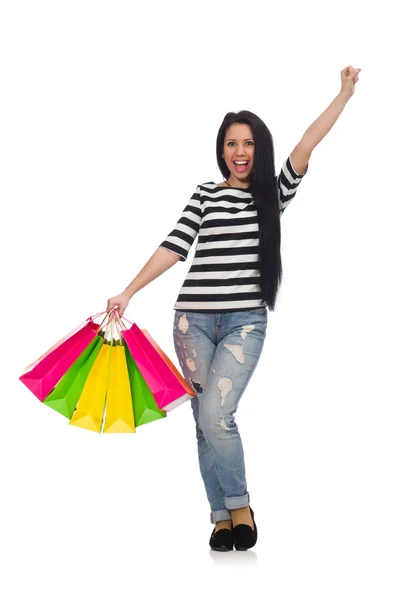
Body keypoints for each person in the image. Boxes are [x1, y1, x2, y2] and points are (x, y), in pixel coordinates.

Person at [107, 66, 361, 551]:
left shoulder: (273, 193)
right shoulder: (205, 193)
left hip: (245, 323)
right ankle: (221, 519)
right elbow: (175, 245)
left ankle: (240, 505)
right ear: (221, 149)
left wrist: (344, 95)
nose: (240, 153)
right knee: (203, 422)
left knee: (216, 416)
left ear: (258, 149)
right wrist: (129, 290)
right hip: (191, 322)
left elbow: (308, 141)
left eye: (247, 144)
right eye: (231, 144)